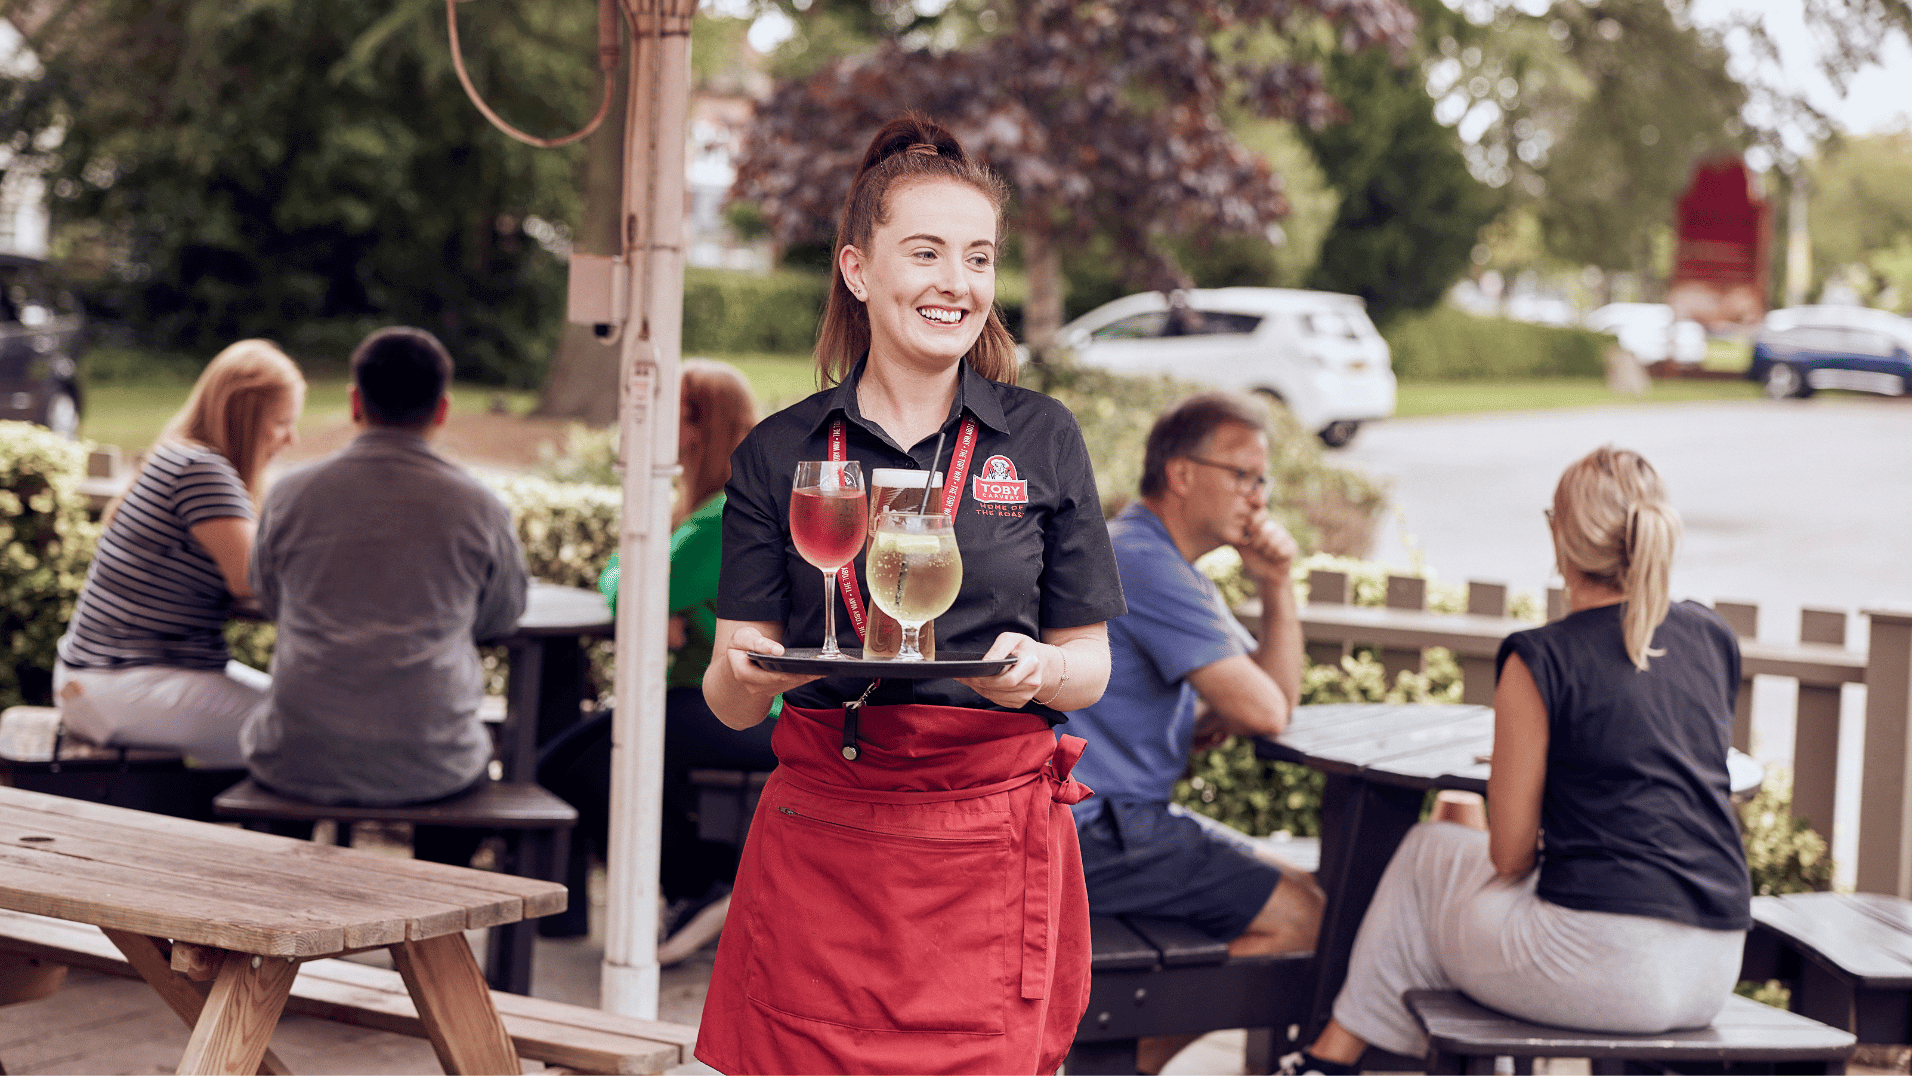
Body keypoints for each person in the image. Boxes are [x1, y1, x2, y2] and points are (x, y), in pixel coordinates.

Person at [694, 115, 1127, 1075]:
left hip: (990, 843)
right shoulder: (781, 452)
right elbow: (729, 700)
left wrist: (1040, 670)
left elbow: (1089, 666)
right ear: (857, 268)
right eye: (925, 252)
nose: (957, 283)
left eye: (978, 258)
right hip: (824, 843)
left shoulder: (1042, 438)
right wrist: (752, 673)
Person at [1282, 446, 1751, 1075]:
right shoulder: (1710, 635)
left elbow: (1510, 855)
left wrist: (1513, 769)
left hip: (1600, 967)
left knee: (1428, 851)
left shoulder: (1542, 656)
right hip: (1714, 967)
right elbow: (1650, 746)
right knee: (1454, 877)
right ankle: (1352, 1057)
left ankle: (1331, 1058)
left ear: (1561, 534)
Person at [1061, 391, 1326, 1074]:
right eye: (1242, 475)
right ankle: (1122, 1062)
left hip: (1110, 825)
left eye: (1263, 480)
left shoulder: (1157, 558)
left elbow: (1269, 698)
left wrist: (1276, 584)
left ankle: (1126, 1058)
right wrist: (1235, 702)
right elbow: (1266, 711)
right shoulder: (1145, 564)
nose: (1258, 499)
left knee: (1309, 896)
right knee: (1304, 918)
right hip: (1096, 830)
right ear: (1180, 473)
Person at [241, 327, 528, 861]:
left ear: (355, 403)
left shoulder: (289, 494)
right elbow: (501, 617)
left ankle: (273, 917)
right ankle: (438, 925)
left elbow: (272, 600)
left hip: (299, 753)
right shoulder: (480, 506)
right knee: (466, 780)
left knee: (278, 787)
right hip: (432, 759)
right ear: (441, 411)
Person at [540, 359, 775, 944]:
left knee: (567, 766)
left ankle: (703, 882)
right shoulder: (710, 510)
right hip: (706, 699)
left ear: (697, 426)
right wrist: (648, 592)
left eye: (661, 410)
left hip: (741, 708)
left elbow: (631, 584)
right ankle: (701, 882)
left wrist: (652, 596)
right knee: (579, 761)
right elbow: (631, 578)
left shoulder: (722, 517)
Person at [54, 339, 306, 767]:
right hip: (122, 683)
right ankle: (266, 835)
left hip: (104, 678)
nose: (292, 438)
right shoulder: (202, 470)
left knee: (305, 717)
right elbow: (249, 578)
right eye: (281, 421)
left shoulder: (179, 455)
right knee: (306, 736)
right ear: (245, 415)